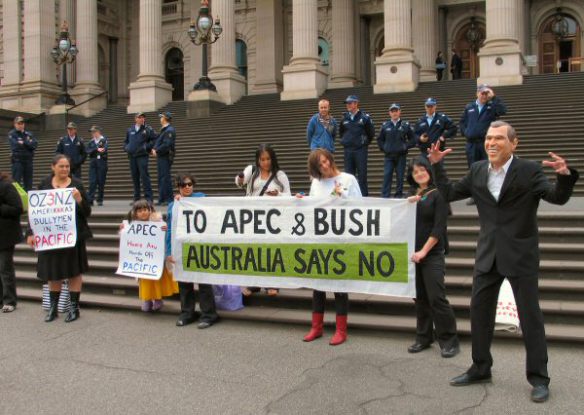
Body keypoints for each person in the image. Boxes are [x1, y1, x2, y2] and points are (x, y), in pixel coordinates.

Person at [427, 121, 579, 403]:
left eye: (498, 138)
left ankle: (539, 378)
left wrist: (565, 176)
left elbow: (557, 198)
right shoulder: (477, 170)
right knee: (479, 315)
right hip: (487, 255)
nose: (491, 143)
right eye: (488, 138)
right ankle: (480, 368)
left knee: (530, 319)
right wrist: (437, 165)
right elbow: (448, 194)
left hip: (521, 256)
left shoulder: (529, 170)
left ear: (514, 143)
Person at [301, 149, 362, 346]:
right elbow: (312, 207)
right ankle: (316, 327)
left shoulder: (348, 179)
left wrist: (342, 198)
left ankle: (341, 330)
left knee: (339, 285)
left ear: (330, 159)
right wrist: (302, 202)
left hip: (341, 239)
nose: (324, 166)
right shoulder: (316, 183)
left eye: (325, 161)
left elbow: (361, 207)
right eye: (319, 165)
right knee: (317, 285)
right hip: (321, 238)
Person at [26, 154, 92, 323]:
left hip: (72, 236)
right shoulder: (44, 184)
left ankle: (74, 307)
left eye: (67, 166)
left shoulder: (77, 184)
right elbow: (35, 212)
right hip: (49, 237)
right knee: (52, 271)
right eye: (61, 166)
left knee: (74, 272)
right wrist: (30, 232)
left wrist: (79, 200)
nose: (65, 169)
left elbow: (87, 212)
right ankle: (54, 308)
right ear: (53, 167)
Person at [405, 158, 459, 358]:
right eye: (415, 172)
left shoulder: (439, 194)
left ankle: (449, 340)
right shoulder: (410, 195)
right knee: (419, 298)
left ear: (429, 170)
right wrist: (405, 205)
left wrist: (424, 251)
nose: (419, 174)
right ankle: (423, 337)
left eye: (422, 170)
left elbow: (439, 228)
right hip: (413, 254)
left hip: (432, 253)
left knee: (436, 297)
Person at [235, 144, 291, 297]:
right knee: (253, 249)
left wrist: (278, 195)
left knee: (271, 250)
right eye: (262, 159)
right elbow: (240, 182)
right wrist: (240, 178)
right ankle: (254, 283)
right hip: (253, 217)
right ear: (258, 160)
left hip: (273, 220)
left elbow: (289, 196)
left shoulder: (280, 175)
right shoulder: (252, 171)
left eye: (268, 159)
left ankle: (272, 283)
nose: (266, 162)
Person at [167, 173, 220, 329]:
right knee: (184, 283)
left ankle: (209, 314)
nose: (188, 187)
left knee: (204, 282)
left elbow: (205, 199)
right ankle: (187, 312)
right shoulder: (173, 206)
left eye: (190, 184)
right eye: (184, 185)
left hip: (199, 247)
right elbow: (170, 229)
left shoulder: (200, 198)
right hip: (181, 248)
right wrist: (169, 251)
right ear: (178, 187)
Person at [125, 200, 177, 312]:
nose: (143, 213)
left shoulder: (157, 222)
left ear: (150, 210)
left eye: (145, 210)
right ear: (135, 213)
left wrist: (165, 229)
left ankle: (157, 299)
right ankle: (146, 299)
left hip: (156, 258)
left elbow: (167, 235)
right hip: (141, 260)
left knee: (156, 280)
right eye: (140, 211)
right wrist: (123, 230)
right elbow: (127, 240)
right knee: (145, 281)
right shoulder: (133, 226)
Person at [459, 84, 507, 204]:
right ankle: (475, 195)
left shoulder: (492, 106)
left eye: (486, 93)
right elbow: (462, 122)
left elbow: (503, 110)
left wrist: (494, 97)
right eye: (482, 93)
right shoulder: (469, 107)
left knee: (489, 168)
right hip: (471, 144)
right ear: (477, 93)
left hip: (486, 143)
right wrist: (466, 132)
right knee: (473, 169)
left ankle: (489, 194)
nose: (484, 95)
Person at [377, 103, 415, 198]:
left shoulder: (405, 125)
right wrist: (384, 148)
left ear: (399, 112)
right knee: (387, 176)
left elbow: (413, 139)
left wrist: (405, 146)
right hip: (389, 156)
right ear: (389, 113)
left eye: (396, 111)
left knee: (400, 177)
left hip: (401, 156)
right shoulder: (385, 125)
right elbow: (380, 139)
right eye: (392, 111)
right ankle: (385, 196)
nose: (394, 113)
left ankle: (398, 196)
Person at [339, 95, 375, 196]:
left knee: (362, 176)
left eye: (350, 103)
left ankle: (364, 198)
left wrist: (363, 142)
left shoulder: (365, 118)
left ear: (356, 103)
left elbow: (371, 133)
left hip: (360, 150)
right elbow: (341, 132)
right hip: (348, 150)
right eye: (347, 103)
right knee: (348, 176)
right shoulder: (344, 118)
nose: (348, 105)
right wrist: (345, 141)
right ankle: (350, 197)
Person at [0, 171, 23, 313]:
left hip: (6, 235)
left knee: (5, 268)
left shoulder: (6, 186)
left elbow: (18, 208)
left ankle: (10, 300)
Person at [124, 112, 156, 203]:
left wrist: (147, 147)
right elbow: (126, 141)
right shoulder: (130, 130)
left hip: (142, 156)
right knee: (135, 177)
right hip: (132, 156)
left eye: (143, 117)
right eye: (139, 117)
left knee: (144, 176)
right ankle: (136, 198)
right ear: (135, 119)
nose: (142, 119)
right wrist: (126, 148)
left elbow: (154, 139)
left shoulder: (148, 129)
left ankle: (149, 198)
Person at [8, 116, 38, 191]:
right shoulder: (12, 134)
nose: (20, 125)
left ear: (24, 124)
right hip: (17, 161)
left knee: (28, 183)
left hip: (28, 161)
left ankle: (27, 199)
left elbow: (34, 145)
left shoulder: (29, 134)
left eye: (22, 123)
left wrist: (23, 143)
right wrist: (28, 143)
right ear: (15, 124)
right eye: (18, 123)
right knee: (16, 182)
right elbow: (15, 146)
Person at [152, 112, 175, 206]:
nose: (160, 119)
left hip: (165, 156)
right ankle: (162, 198)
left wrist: (156, 150)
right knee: (162, 177)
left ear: (165, 118)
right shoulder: (164, 130)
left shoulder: (169, 130)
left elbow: (167, 144)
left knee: (165, 177)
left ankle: (169, 199)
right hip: (162, 156)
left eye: (161, 117)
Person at [86, 125, 108, 206]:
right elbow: (87, 151)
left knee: (101, 181)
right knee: (92, 181)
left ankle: (100, 199)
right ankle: (90, 199)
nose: (93, 133)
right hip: (93, 162)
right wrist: (96, 149)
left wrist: (95, 150)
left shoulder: (104, 140)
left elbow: (104, 150)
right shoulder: (91, 141)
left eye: (94, 131)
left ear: (98, 131)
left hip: (102, 162)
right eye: (92, 132)